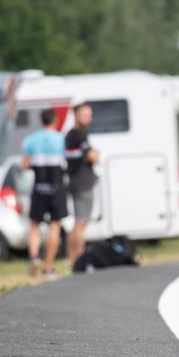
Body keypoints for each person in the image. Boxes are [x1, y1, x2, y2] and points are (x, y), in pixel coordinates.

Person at [21, 108, 67, 279]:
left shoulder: (31, 140)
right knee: (54, 226)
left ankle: (34, 257)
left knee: (34, 225)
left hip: (39, 188)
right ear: (55, 120)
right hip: (57, 188)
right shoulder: (61, 140)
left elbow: (24, 165)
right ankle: (48, 267)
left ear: (42, 120)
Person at [64, 103, 99, 267]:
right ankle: (77, 260)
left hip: (76, 181)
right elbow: (93, 157)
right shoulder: (78, 135)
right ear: (76, 115)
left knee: (80, 223)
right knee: (80, 223)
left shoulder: (71, 135)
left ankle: (75, 260)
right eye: (85, 114)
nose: (89, 118)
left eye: (90, 115)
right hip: (82, 183)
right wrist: (95, 154)